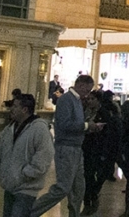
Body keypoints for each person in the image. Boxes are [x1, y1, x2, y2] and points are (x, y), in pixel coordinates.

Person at [30, 74, 104, 217]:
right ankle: (31, 212)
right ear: (81, 85)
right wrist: (88, 126)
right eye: (87, 90)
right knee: (63, 188)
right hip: (66, 148)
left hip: (77, 148)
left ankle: (74, 214)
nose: (88, 94)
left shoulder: (77, 101)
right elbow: (64, 124)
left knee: (78, 188)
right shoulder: (66, 100)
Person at [0, 94, 54, 217]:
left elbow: (44, 157)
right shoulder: (9, 129)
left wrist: (25, 174)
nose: (11, 109)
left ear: (25, 110)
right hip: (10, 187)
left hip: (26, 190)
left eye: (15, 106)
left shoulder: (39, 129)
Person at [82, 90, 123, 216]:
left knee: (99, 174)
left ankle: (93, 194)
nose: (89, 101)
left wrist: (106, 150)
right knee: (88, 175)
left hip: (99, 147)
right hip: (87, 146)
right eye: (88, 99)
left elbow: (108, 133)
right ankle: (88, 202)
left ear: (98, 100)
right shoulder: (85, 112)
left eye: (92, 99)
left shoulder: (104, 113)